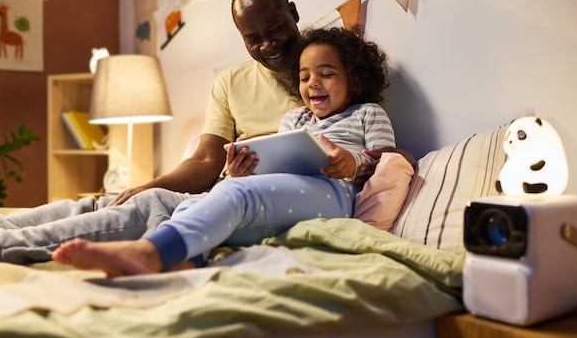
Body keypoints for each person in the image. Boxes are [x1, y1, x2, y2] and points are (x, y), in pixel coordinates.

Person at [0, 0, 412, 269]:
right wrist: (155, 181)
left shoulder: (350, 94)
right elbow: (204, 159)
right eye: (252, 38)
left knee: (147, 206)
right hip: (232, 182)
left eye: (274, 29)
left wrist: (353, 163)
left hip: (281, 192)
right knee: (104, 203)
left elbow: (392, 158)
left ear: (292, 12)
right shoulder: (250, 89)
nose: (266, 43)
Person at [52, 26, 396, 276]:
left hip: (333, 193)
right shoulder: (295, 117)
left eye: (327, 74)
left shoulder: (367, 113)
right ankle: (185, 262)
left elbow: (387, 163)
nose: (313, 83)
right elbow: (279, 167)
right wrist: (244, 171)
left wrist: (351, 162)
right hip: (288, 193)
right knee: (191, 205)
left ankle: (148, 252)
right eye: (305, 77)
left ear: (354, 78)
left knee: (236, 195)